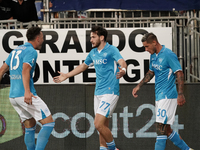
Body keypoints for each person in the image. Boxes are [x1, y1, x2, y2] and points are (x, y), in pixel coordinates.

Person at [54, 25, 127, 150]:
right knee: (102, 126)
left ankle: (113, 148)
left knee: (98, 124)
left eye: (93, 37)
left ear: (102, 37)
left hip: (110, 91)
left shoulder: (111, 49)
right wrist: (66, 75)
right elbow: (83, 66)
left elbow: (122, 61)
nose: (91, 40)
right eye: (90, 37)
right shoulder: (93, 53)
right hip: (98, 92)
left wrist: (124, 70)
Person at [132, 33, 193, 150]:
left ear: (154, 42)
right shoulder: (153, 55)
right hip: (160, 96)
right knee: (167, 130)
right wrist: (139, 85)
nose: (146, 49)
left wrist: (180, 93)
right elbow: (151, 72)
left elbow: (179, 73)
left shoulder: (169, 54)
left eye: (147, 46)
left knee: (160, 129)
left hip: (167, 96)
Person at [0, 26, 55, 150]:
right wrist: (27, 92)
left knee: (30, 124)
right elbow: (25, 70)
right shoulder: (31, 51)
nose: (43, 40)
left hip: (13, 96)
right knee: (49, 122)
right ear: (37, 38)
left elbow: (1, 70)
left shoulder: (15, 51)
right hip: (24, 94)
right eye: (42, 37)